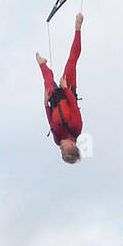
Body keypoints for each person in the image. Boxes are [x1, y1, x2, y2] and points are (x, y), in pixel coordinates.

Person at [36, 12, 84, 163]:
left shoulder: (57, 140)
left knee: (47, 80)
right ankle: (78, 28)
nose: (61, 149)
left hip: (55, 101)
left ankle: (42, 63)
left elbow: (50, 121)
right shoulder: (76, 128)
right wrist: (66, 88)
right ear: (72, 146)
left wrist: (45, 103)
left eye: (61, 152)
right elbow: (74, 107)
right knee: (71, 62)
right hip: (68, 91)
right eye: (64, 151)